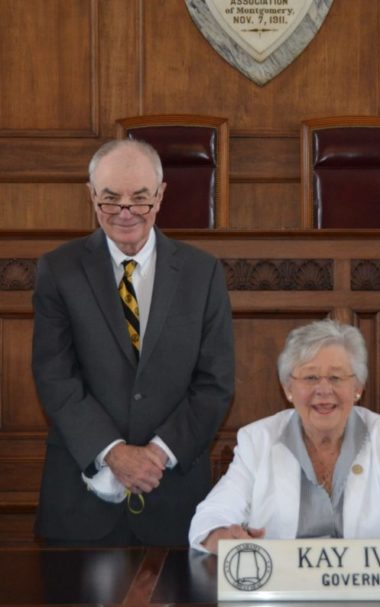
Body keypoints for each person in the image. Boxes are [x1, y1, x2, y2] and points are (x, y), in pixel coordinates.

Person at [31, 139, 235, 546]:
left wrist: (157, 454)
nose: (126, 213)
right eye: (110, 200)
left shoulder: (203, 272)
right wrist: (113, 453)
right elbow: (54, 376)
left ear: (160, 197)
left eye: (139, 199)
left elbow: (216, 383)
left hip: (174, 498)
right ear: (91, 196)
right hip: (80, 503)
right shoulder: (58, 269)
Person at [189, 319, 380, 553]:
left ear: (358, 387)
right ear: (288, 388)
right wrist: (222, 536)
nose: (324, 390)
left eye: (337, 378)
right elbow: (211, 515)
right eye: (310, 377)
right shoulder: (258, 440)